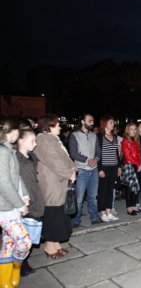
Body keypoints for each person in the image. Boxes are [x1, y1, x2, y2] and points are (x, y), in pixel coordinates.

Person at [34, 114, 76, 260]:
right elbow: (54, 161)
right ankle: (49, 246)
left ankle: (56, 243)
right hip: (51, 183)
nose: (60, 126)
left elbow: (65, 158)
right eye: (57, 124)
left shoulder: (52, 139)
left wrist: (72, 169)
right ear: (49, 125)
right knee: (53, 214)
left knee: (59, 213)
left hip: (58, 182)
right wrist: (69, 173)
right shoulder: (44, 139)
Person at [0, 118, 32, 288]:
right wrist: (19, 204)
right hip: (4, 207)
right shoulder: (2, 151)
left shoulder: (9, 150)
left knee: (8, 243)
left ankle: (6, 281)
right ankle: (16, 267)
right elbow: (3, 181)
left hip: (11, 206)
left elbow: (17, 177)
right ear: (13, 131)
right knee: (24, 242)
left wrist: (25, 195)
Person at [15, 127, 45, 277]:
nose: (35, 144)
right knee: (23, 236)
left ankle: (24, 261)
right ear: (20, 141)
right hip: (25, 200)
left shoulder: (31, 156)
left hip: (35, 196)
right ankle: (20, 265)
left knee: (32, 234)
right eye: (32, 141)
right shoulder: (15, 158)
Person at [69, 113, 103, 227]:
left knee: (93, 196)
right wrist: (87, 160)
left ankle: (94, 217)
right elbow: (73, 153)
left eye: (92, 121)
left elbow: (98, 151)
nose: (92, 123)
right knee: (79, 198)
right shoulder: (74, 135)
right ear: (83, 122)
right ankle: (76, 220)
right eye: (90, 121)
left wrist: (96, 159)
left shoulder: (94, 136)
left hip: (93, 170)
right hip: (82, 170)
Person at [96, 116, 121, 222]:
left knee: (111, 190)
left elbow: (116, 153)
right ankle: (102, 213)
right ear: (105, 123)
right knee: (102, 190)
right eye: (111, 122)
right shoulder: (99, 136)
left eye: (113, 122)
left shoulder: (114, 137)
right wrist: (99, 168)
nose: (113, 124)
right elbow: (97, 153)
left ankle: (109, 212)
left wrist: (119, 166)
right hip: (104, 167)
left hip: (113, 166)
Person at [121, 123, 141, 215]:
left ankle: (133, 206)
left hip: (135, 165)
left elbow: (138, 154)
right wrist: (138, 163)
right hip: (129, 166)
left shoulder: (135, 141)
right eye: (131, 129)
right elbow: (127, 156)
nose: (133, 131)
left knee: (136, 187)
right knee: (130, 187)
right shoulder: (125, 141)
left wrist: (140, 163)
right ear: (127, 130)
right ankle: (129, 208)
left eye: (135, 129)